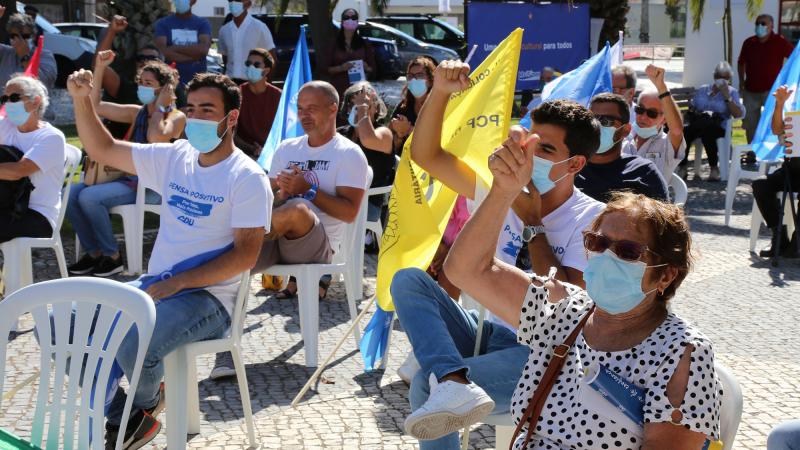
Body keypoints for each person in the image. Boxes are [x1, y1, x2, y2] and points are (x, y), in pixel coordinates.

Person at [445, 147, 722, 449]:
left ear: (665, 275)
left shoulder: (681, 353)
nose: (605, 256)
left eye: (628, 251)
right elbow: (466, 269)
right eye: (597, 242)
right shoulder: (565, 312)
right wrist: (503, 191)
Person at [392, 59, 605, 447]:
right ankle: (454, 381)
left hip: (546, 351)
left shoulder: (593, 219)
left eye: (546, 150)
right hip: (490, 332)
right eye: (530, 142)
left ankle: (446, 383)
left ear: (573, 163)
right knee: (408, 280)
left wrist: (533, 224)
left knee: (425, 383)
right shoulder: (502, 186)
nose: (530, 154)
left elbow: (564, 307)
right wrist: (439, 92)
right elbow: (426, 156)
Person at [67, 69, 271, 448]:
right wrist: (81, 100)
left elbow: (245, 255)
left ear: (231, 118)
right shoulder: (177, 157)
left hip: (210, 299)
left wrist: (178, 282)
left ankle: (135, 413)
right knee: (65, 322)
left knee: (135, 340)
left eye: (207, 110)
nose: (195, 119)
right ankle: (127, 409)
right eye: (191, 109)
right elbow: (104, 149)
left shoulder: (247, 177)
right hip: (157, 288)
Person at [209, 80, 369, 379]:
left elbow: (349, 213)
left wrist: (308, 190)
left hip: (318, 246)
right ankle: (226, 352)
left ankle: (244, 240)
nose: (305, 115)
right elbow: (266, 197)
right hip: (276, 234)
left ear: (333, 109)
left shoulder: (349, 153)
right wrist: (276, 189)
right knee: (234, 262)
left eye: (312, 109)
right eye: (300, 109)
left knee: (298, 210)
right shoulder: (286, 148)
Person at [66, 50, 185, 277]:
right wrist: (99, 69)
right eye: (141, 82)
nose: (142, 87)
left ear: (163, 88)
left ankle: (113, 257)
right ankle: (95, 254)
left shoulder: (177, 116)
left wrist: (162, 106)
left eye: (148, 83)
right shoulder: (137, 112)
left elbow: (155, 137)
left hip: (151, 186)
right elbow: (96, 106)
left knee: (89, 197)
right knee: (71, 194)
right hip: (128, 179)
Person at [0, 75, 65, 243]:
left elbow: (18, 171)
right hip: (8, 208)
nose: (8, 103)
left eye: (14, 98)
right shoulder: (6, 126)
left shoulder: (52, 137)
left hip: (38, 216)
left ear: (35, 102)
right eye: (4, 98)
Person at [577, 93, 669, 203]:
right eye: (591, 119)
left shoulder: (643, 172)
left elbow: (663, 218)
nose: (597, 125)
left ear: (625, 130)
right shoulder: (571, 167)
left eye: (606, 121)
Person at [752, 84, 800, 258]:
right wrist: (780, 104)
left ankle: (797, 241)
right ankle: (779, 236)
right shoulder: (796, 114)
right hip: (792, 169)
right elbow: (777, 129)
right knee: (760, 185)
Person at [679, 61, 746, 181]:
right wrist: (695, 110)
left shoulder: (732, 92)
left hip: (719, 127)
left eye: (725, 77)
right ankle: (683, 167)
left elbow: (738, 114)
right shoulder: (703, 89)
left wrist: (727, 97)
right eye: (719, 76)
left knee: (708, 130)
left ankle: (714, 168)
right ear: (714, 77)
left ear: (729, 79)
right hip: (698, 124)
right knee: (685, 131)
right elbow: (693, 106)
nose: (722, 79)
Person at [339, 81, 394, 223]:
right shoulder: (340, 134)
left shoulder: (384, 133)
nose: (357, 110)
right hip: (340, 196)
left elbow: (367, 139)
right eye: (353, 105)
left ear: (375, 109)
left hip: (369, 201)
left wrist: (362, 108)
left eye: (365, 105)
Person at [622, 64, 686, 180]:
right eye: (640, 110)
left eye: (652, 113)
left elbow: (676, 130)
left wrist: (661, 87)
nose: (643, 117)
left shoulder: (666, 143)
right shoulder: (623, 138)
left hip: (652, 198)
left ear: (665, 119)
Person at [738, 14, 794, 144]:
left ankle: (771, 153)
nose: (760, 26)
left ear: (771, 26)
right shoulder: (749, 42)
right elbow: (741, 62)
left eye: (763, 23)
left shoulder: (780, 41)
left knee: (773, 123)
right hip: (751, 90)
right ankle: (752, 151)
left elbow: (794, 58)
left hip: (772, 92)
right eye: (757, 23)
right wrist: (741, 81)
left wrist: (788, 79)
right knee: (750, 123)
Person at [235, 48, 281, 159]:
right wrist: (251, 148)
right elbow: (230, 133)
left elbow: (282, 131)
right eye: (248, 63)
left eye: (256, 65)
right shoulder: (237, 94)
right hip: (244, 154)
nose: (251, 67)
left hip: (273, 153)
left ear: (266, 71)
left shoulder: (278, 96)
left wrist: (268, 149)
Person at [153, 0, 212, 86]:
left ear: (194, 1)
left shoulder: (203, 23)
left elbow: (203, 50)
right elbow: (164, 52)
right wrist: (193, 58)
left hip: (197, 83)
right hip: (170, 82)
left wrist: (173, 48)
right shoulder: (163, 23)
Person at [218, 0, 276, 85]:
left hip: (253, 84)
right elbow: (226, 59)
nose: (233, 3)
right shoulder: (224, 30)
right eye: (230, 0)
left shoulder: (260, 28)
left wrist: (266, 86)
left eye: (238, 0)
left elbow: (272, 59)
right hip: (230, 84)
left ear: (248, 4)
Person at [0, 9, 56, 90]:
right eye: (14, 36)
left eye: (24, 36)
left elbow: (43, 83)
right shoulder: (5, 52)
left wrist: (24, 56)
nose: (19, 40)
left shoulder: (45, 55)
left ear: (33, 36)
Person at [326, 8, 376, 98]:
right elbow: (325, 69)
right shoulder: (333, 43)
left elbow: (372, 68)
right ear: (342, 22)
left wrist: (366, 67)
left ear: (357, 21)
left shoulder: (365, 43)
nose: (350, 20)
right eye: (347, 17)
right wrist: (341, 68)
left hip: (358, 90)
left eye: (353, 18)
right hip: (338, 89)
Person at [390, 56, 435, 155]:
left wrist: (409, 130)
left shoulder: (438, 107)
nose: (414, 79)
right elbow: (390, 146)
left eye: (419, 75)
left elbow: (435, 144)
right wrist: (399, 135)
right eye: (410, 76)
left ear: (430, 80)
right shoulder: (403, 107)